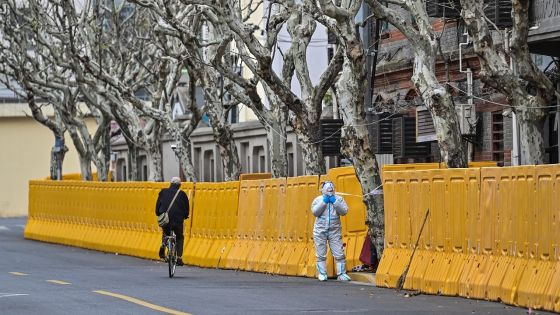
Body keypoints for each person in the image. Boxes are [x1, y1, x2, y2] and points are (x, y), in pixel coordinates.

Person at [310, 180, 351, 281]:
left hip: (334, 230)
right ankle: (322, 273)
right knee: (321, 253)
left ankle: (341, 273)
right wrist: (324, 202)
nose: (330, 190)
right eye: (327, 189)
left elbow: (344, 211)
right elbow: (315, 212)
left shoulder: (339, 199)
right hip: (320, 230)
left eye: (331, 189)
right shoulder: (318, 200)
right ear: (323, 190)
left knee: (339, 252)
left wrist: (335, 202)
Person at [155, 177, 189, 266]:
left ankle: (163, 244)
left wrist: (159, 213)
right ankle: (179, 258)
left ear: (170, 184)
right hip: (178, 220)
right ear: (179, 185)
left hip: (166, 219)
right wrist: (185, 216)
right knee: (179, 237)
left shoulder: (163, 192)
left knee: (166, 232)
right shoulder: (182, 194)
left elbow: (157, 207)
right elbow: (186, 209)